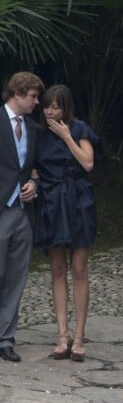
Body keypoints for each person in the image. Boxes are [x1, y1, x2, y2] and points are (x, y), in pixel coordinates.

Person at [33, 85, 98, 362]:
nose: (50, 111)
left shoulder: (80, 129)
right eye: (47, 106)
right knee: (57, 269)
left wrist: (66, 136)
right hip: (51, 202)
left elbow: (88, 163)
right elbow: (32, 166)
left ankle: (80, 335)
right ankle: (62, 334)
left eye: (56, 107)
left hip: (78, 202)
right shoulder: (38, 134)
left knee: (79, 268)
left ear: (66, 108)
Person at [0, 71, 45, 362]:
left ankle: (5, 338)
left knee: (17, 276)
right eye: (33, 96)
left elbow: (33, 168)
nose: (37, 102)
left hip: (22, 211)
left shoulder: (32, 128)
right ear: (17, 94)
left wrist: (34, 185)